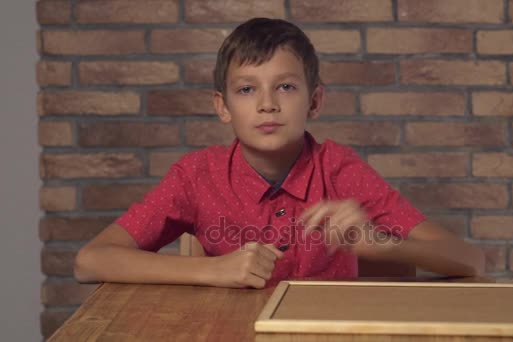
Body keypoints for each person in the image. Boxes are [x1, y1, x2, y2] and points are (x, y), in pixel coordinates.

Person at [74, 18, 485, 289]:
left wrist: (380, 245)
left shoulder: (340, 170)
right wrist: (213, 270)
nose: (267, 104)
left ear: (315, 100)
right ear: (222, 106)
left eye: (286, 87)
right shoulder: (195, 176)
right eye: (247, 89)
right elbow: (90, 261)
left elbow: (469, 260)